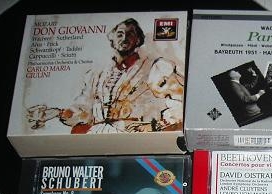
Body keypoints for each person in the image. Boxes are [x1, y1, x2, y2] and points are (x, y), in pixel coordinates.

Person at [26, 18, 184, 134]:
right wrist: (58, 113)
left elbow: (180, 103)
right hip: (98, 139)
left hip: (136, 139)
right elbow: (84, 111)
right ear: (112, 39)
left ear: (138, 40)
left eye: (130, 34)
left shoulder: (154, 67)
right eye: (120, 34)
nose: (124, 38)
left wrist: (154, 126)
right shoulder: (97, 75)